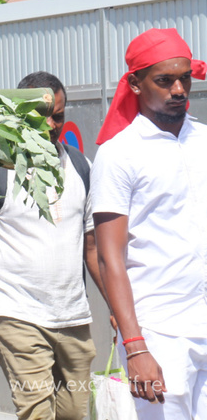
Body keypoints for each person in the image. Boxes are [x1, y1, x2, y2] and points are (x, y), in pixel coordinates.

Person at [0, 71, 105, 419]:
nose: (51, 125)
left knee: (74, 414)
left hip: (72, 316)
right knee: (37, 412)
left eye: (58, 116)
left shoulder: (81, 167)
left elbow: (93, 248)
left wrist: (117, 309)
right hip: (15, 312)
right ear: (18, 114)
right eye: (41, 115)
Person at [91, 28, 207, 417]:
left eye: (184, 78)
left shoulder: (204, 140)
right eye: (164, 80)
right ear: (135, 84)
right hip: (159, 332)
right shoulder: (119, 154)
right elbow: (109, 257)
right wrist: (135, 345)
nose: (179, 89)